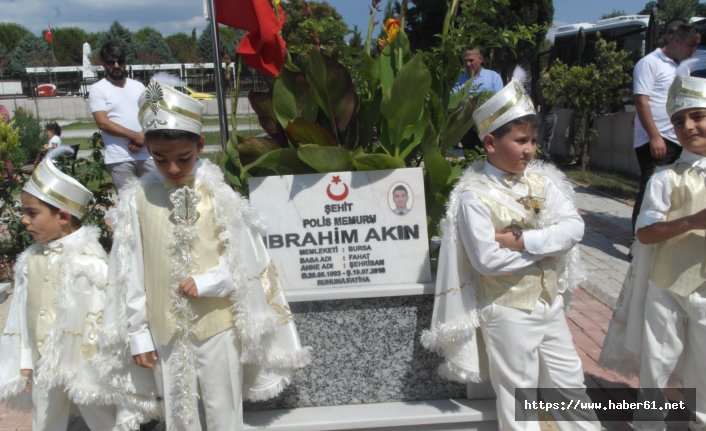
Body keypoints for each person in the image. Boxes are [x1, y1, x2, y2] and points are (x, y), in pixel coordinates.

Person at [108, 78, 310, 430]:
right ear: (146, 151)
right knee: (179, 412)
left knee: (223, 410)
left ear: (200, 145)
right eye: (160, 159)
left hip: (216, 324)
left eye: (183, 158)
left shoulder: (218, 196)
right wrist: (139, 333)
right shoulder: (137, 201)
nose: (172, 169)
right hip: (165, 328)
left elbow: (245, 260)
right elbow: (130, 272)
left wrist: (210, 281)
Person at [422, 73, 599, 430]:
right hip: (507, 309)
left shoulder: (544, 180)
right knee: (519, 394)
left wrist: (525, 241)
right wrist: (550, 243)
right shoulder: (474, 195)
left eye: (533, 141)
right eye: (521, 141)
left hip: (549, 302)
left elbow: (575, 228)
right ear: (490, 142)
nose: (530, 150)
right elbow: (487, 260)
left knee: (570, 384)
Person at [600, 74, 706, 430]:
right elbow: (644, 232)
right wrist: (692, 220)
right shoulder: (666, 179)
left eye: (697, 116)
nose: (688, 126)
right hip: (667, 284)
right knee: (657, 360)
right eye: (678, 120)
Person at [0, 149, 121, 430]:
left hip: (83, 363)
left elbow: (106, 315)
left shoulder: (89, 262)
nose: (24, 221)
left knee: (101, 416)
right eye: (24, 213)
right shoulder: (29, 259)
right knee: (44, 418)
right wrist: (25, 360)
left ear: (63, 217)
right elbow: (21, 315)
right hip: (44, 364)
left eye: (32, 213)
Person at [630, 23, 700, 232]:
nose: (693, 51)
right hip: (658, 140)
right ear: (676, 40)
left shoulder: (679, 67)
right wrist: (654, 136)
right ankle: (638, 243)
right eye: (690, 45)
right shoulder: (650, 62)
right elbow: (642, 101)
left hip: (677, 139)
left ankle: (662, 234)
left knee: (670, 190)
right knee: (650, 191)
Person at [89, 42, 155, 191]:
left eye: (120, 61)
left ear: (126, 62)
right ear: (104, 64)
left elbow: (151, 114)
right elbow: (103, 123)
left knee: (157, 199)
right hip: (119, 158)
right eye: (111, 62)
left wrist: (143, 138)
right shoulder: (98, 89)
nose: (116, 65)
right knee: (129, 204)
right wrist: (135, 136)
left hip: (146, 154)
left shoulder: (138, 86)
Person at [453, 48, 504, 151]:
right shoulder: (460, 80)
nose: (467, 64)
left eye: (471, 60)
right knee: (470, 158)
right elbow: (454, 102)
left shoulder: (493, 77)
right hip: (467, 128)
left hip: (489, 126)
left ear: (480, 59)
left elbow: (499, 100)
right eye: (465, 61)